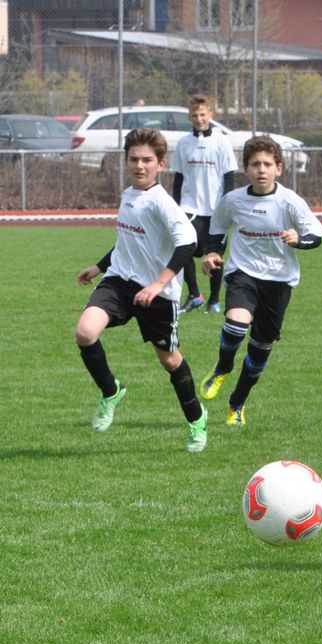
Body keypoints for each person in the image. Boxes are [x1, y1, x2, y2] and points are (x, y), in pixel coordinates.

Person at [74, 127, 208, 452]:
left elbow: (188, 242)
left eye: (147, 160)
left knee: (170, 361)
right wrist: (100, 266)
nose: (140, 165)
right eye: (134, 159)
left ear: (160, 164)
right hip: (120, 282)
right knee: (85, 332)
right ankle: (111, 391)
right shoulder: (128, 194)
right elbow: (129, 241)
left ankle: (196, 419)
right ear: (126, 161)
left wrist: (158, 284)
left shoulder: (162, 203)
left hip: (157, 296)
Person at [197, 136, 322, 426]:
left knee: (259, 351)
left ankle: (237, 404)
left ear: (279, 168)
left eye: (267, 164)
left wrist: (299, 240)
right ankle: (221, 368)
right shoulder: (233, 201)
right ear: (246, 169)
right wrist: (213, 253)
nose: (261, 170)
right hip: (243, 274)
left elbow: (316, 235)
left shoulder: (290, 201)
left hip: (279, 282)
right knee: (236, 324)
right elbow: (217, 230)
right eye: (255, 164)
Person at [171, 94, 238, 314]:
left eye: (202, 114)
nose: (198, 118)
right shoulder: (183, 143)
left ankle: (214, 300)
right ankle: (194, 294)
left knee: (215, 256)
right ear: (189, 116)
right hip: (189, 209)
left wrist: (225, 205)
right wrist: (175, 207)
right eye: (194, 115)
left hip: (215, 209)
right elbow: (178, 178)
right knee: (184, 250)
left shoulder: (221, 141)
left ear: (211, 114)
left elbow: (229, 177)